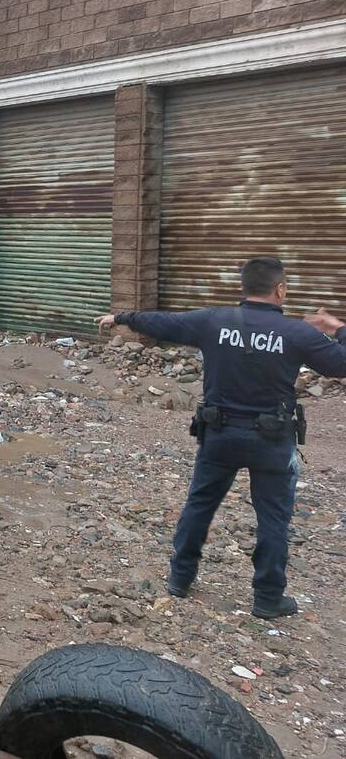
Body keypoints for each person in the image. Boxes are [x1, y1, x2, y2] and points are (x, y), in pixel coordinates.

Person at [94, 258, 346, 619]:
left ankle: (180, 579)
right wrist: (338, 328)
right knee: (273, 519)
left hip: (220, 434)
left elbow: (165, 323)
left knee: (200, 504)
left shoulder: (214, 321)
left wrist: (122, 317)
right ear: (281, 290)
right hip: (272, 441)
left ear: (243, 288)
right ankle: (268, 598)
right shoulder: (297, 333)